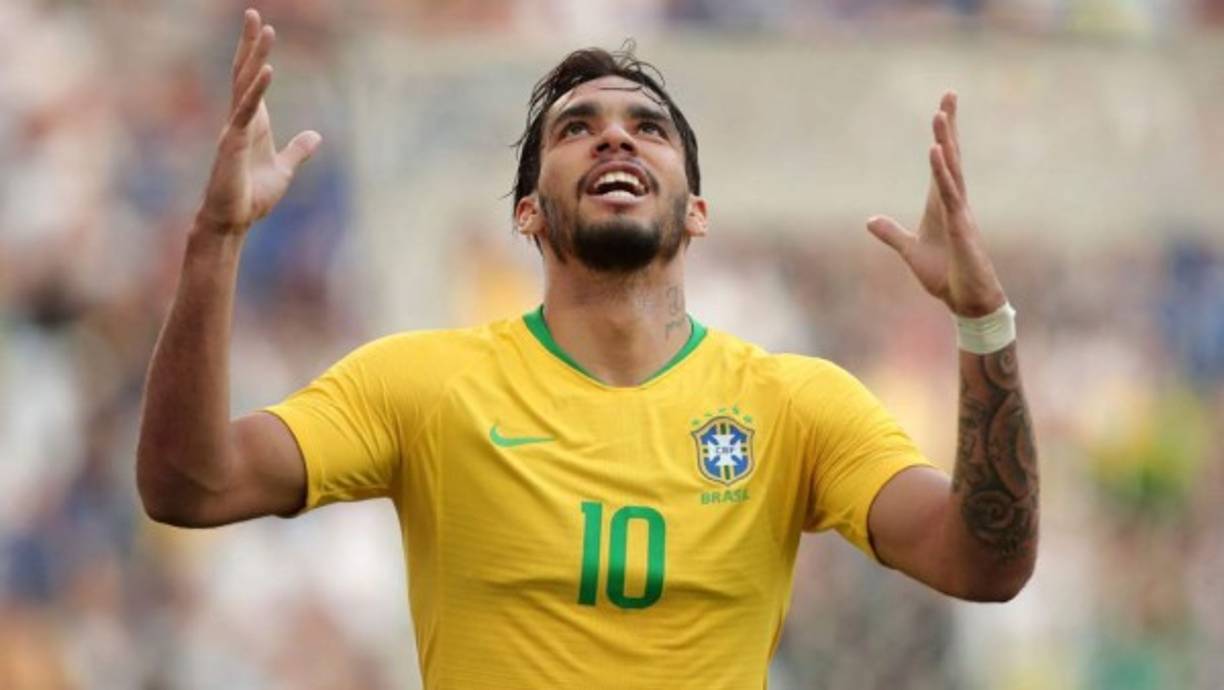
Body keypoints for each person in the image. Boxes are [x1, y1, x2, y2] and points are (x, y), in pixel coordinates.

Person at [137, 9, 1038, 688]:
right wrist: (216, 236)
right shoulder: (423, 386)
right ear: (528, 213)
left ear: (696, 212)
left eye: (649, 128)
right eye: (576, 127)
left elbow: (985, 565)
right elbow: (189, 486)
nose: (614, 133)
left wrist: (984, 320)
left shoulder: (797, 405)